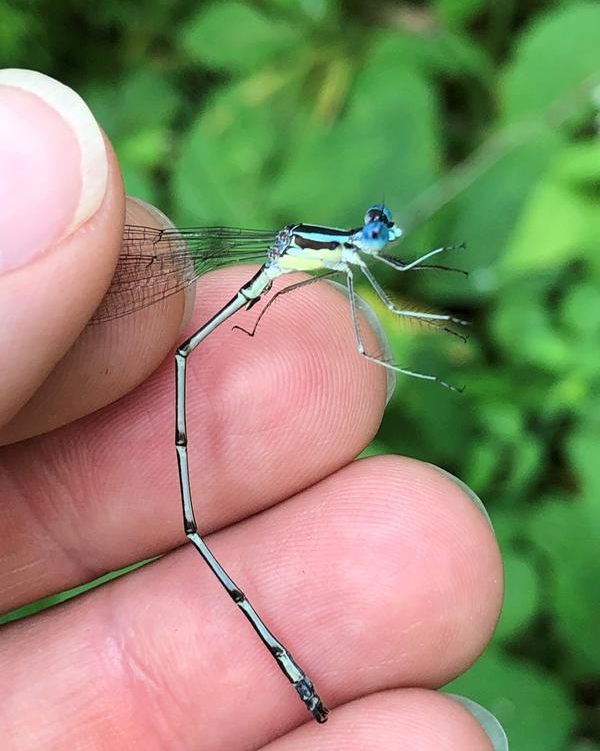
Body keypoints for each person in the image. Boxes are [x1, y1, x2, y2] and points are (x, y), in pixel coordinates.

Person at [0, 69, 505, 750]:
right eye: (377, 233)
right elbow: (364, 324)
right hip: (194, 348)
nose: (379, 239)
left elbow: (385, 287)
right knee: (347, 347)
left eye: (379, 233)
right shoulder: (325, 259)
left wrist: (429, 266)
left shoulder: (348, 255)